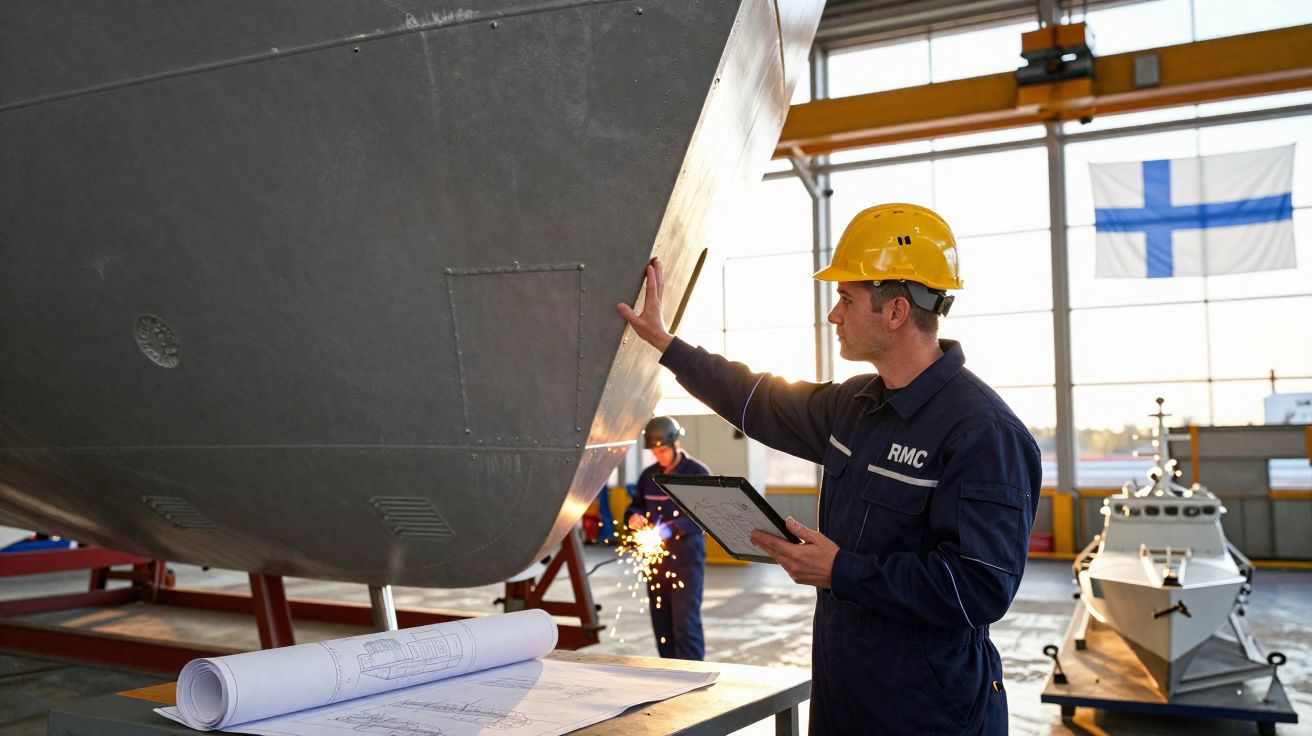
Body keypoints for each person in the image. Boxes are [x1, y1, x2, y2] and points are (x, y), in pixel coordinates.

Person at [617, 203, 1041, 734]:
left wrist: (842, 570)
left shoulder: (983, 433)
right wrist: (668, 345)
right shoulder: (855, 406)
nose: (833, 314)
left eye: (847, 298)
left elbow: (979, 589)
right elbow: (757, 398)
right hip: (845, 690)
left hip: (927, 712)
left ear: (896, 312)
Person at [624, 416, 711, 660]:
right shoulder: (648, 476)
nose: (658, 456)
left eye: (662, 450)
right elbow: (635, 506)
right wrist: (633, 518)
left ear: (675, 444)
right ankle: (669, 674)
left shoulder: (697, 473)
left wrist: (669, 530)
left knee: (685, 622)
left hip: (686, 561)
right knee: (661, 623)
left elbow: (703, 516)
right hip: (655, 563)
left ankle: (694, 676)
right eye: (654, 451)